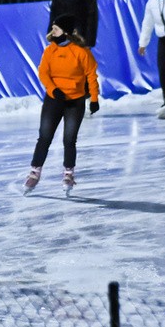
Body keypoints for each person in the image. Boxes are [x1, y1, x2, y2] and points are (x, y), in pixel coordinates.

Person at [23, 14, 100, 196]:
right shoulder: (50, 51)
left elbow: (91, 75)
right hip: (54, 99)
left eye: (56, 29)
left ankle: (68, 174)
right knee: (44, 136)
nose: (52, 32)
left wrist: (94, 98)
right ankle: (34, 172)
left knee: (69, 139)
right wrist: (53, 89)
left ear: (65, 31)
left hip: (75, 101)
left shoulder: (81, 52)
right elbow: (43, 73)